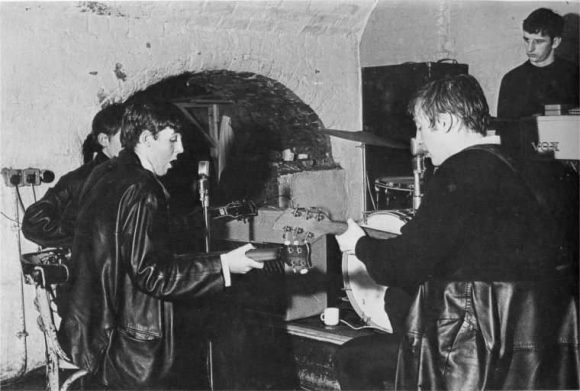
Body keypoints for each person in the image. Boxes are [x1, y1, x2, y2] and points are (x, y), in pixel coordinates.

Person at [336, 74, 578, 390]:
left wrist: (359, 244)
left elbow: (401, 266)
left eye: (422, 127)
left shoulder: (459, 172)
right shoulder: (537, 167)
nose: (419, 141)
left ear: (447, 122)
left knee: (353, 356)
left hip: (474, 354)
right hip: (540, 352)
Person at [58, 101, 264, 390]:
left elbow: (121, 241)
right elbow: (152, 274)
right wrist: (223, 266)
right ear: (145, 139)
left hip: (93, 331)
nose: (180, 149)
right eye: (172, 140)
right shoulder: (143, 188)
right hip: (131, 348)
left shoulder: (104, 174)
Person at [22, 103, 124, 248]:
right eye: (127, 136)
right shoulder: (80, 180)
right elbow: (34, 222)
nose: (136, 143)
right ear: (104, 140)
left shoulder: (142, 174)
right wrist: (88, 234)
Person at [497, 8, 579, 120]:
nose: (530, 48)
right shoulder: (511, 80)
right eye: (527, 40)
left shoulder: (575, 75)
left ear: (555, 42)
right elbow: (504, 131)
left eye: (538, 41)